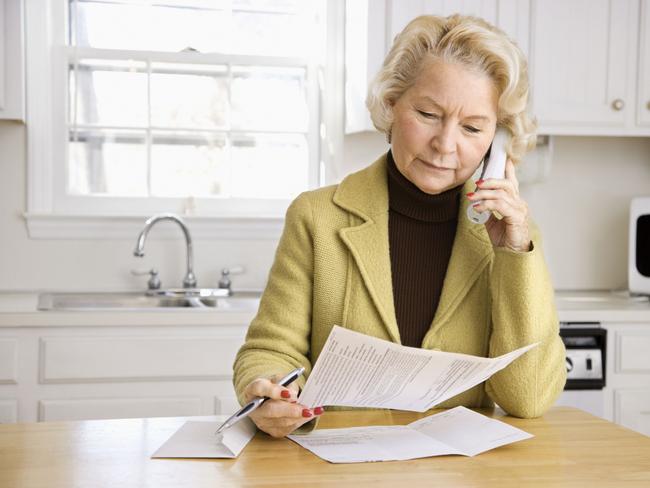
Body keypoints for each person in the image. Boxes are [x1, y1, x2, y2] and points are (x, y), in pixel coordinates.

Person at [233, 14, 566, 438]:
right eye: (428, 114)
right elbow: (270, 349)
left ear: (496, 142)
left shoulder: (513, 236)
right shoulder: (316, 216)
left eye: (472, 127)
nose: (446, 145)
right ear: (391, 104)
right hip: (340, 468)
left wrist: (514, 253)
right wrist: (269, 392)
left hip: (459, 473)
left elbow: (529, 398)